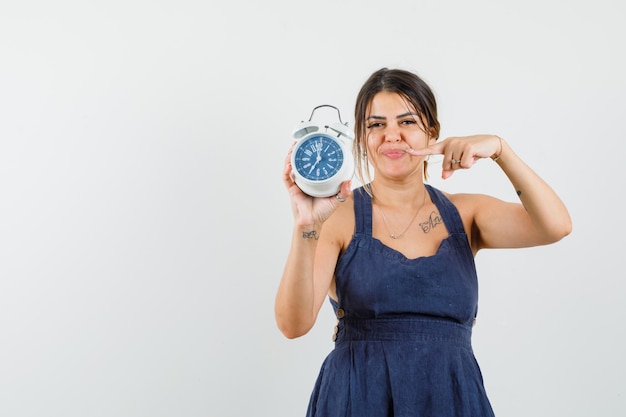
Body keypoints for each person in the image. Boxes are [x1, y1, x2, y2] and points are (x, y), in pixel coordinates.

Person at [275, 67, 572, 417]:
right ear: (360, 137)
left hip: (452, 398)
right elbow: (293, 325)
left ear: (432, 132)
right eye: (376, 125)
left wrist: (499, 149)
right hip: (358, 399)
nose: (392, 136)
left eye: (407, 122)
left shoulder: (466, 214)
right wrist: (305, 227)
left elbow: (556, 225)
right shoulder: (337, 217)